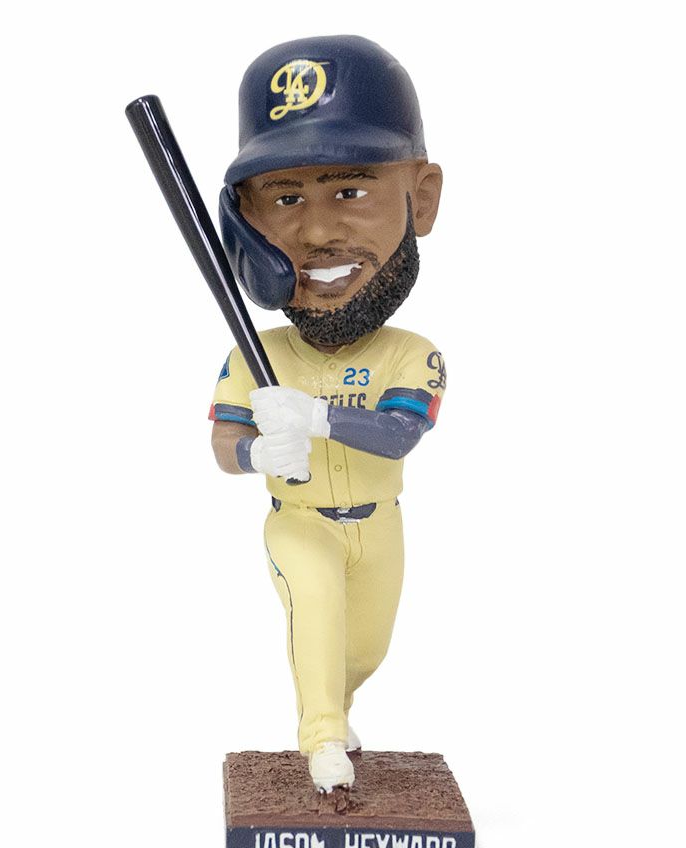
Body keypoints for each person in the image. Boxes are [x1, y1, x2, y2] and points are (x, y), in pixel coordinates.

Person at [209, 35, 446, 792]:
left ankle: (336, 708)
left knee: (361, 650)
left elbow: (400, 433)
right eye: (285, 199)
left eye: (349, 191)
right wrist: (254, 455)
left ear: (421, 197)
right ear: (245, 221)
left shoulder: (411, 354)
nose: (315, 232)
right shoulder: (255, 355)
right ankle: (322, 741)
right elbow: (225, 440)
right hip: (301, 519)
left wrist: (316, 420)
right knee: (313, 605)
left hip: (379, 526)